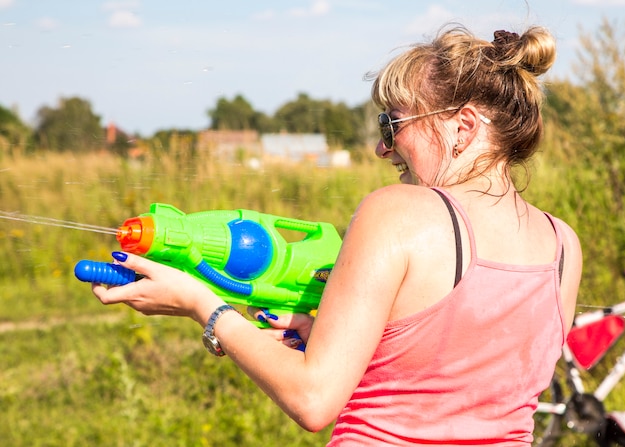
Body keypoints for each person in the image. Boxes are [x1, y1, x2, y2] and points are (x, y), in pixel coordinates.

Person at [92, 24, 582, 446]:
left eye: (393, 124)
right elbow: (463, 387)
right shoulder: (563, 246)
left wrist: (204, 306)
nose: (380, 147)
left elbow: (313, 399)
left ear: (463, 128)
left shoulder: (395, 212)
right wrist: (358, 347)